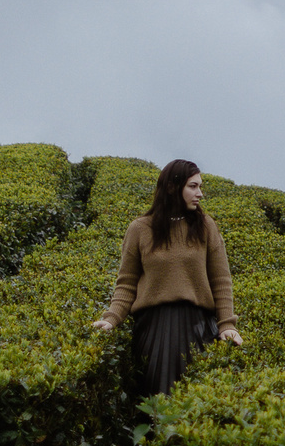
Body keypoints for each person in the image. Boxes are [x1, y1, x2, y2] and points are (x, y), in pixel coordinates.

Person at [91, 159, 242, 395]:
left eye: (200, 187)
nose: (200, 194)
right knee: (154, 398)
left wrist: (226, 325)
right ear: (172, 187)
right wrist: (112, 318)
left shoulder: (206, 226)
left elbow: (221, 281)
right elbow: (127, 283)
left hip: (198, 327)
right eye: (193, 186)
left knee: (193, 397)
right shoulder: (139, 229)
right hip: (153, 329)